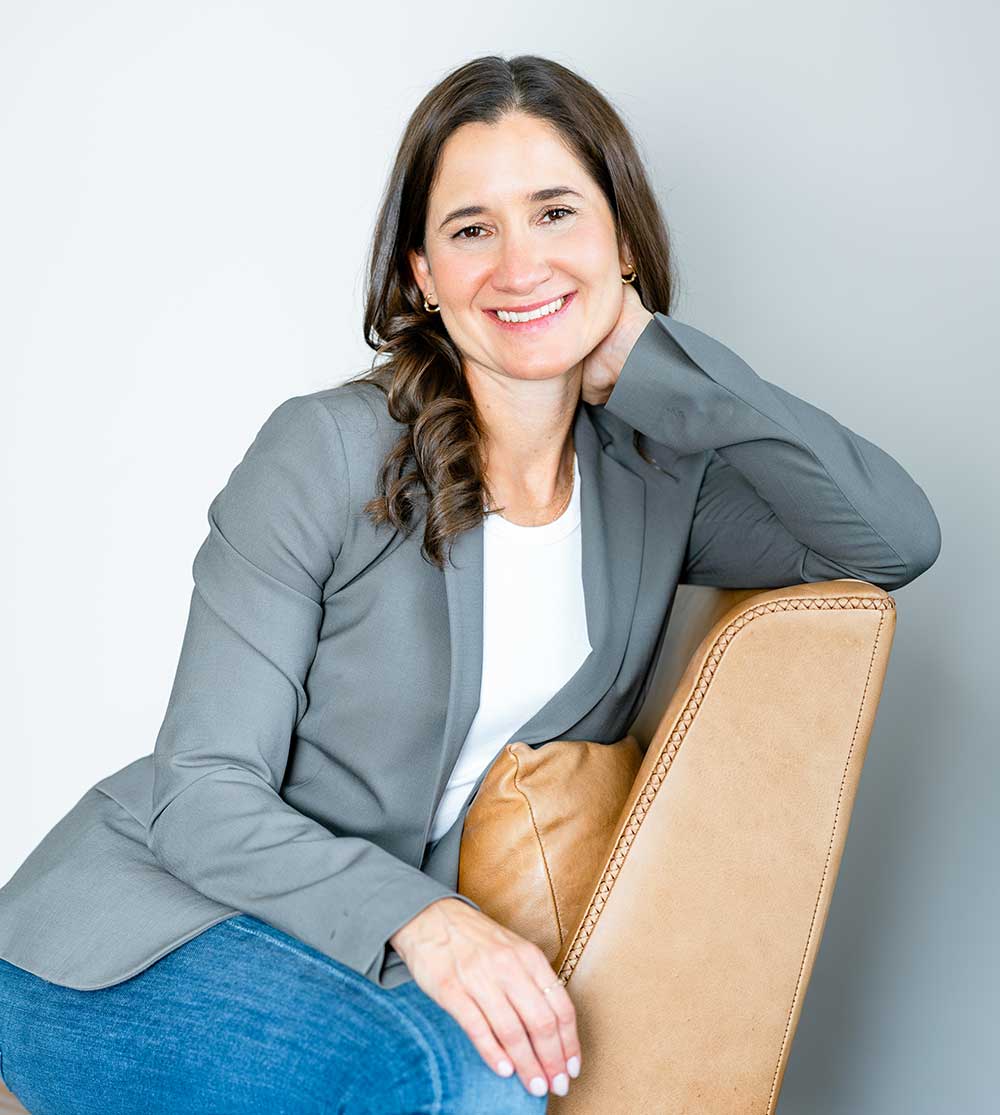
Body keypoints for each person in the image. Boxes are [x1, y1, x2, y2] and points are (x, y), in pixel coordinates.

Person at [0, 53, 941, 1115]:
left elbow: (890, 533)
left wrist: (650, 350)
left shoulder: (652, 490)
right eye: (470, 229)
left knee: (497, 1071)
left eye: (555, 213)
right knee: (479, 1079)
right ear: (420, 274)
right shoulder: (324, 450)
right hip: (140, 934)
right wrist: (430, 919)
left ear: (621, 239)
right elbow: (204, 790)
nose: (518, 263)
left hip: (349, 960)